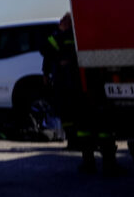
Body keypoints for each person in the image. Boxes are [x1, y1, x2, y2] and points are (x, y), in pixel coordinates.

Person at [41, 12, 119, 174]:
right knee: (95, 124)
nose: (62, 22)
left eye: (65, 20)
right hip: (84, 85)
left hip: (80, 85)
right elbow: (47, 51)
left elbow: (50, 52)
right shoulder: (70, 36)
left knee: (89, 124)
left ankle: (94, 163)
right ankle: (103, 163)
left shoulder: (69, 37)